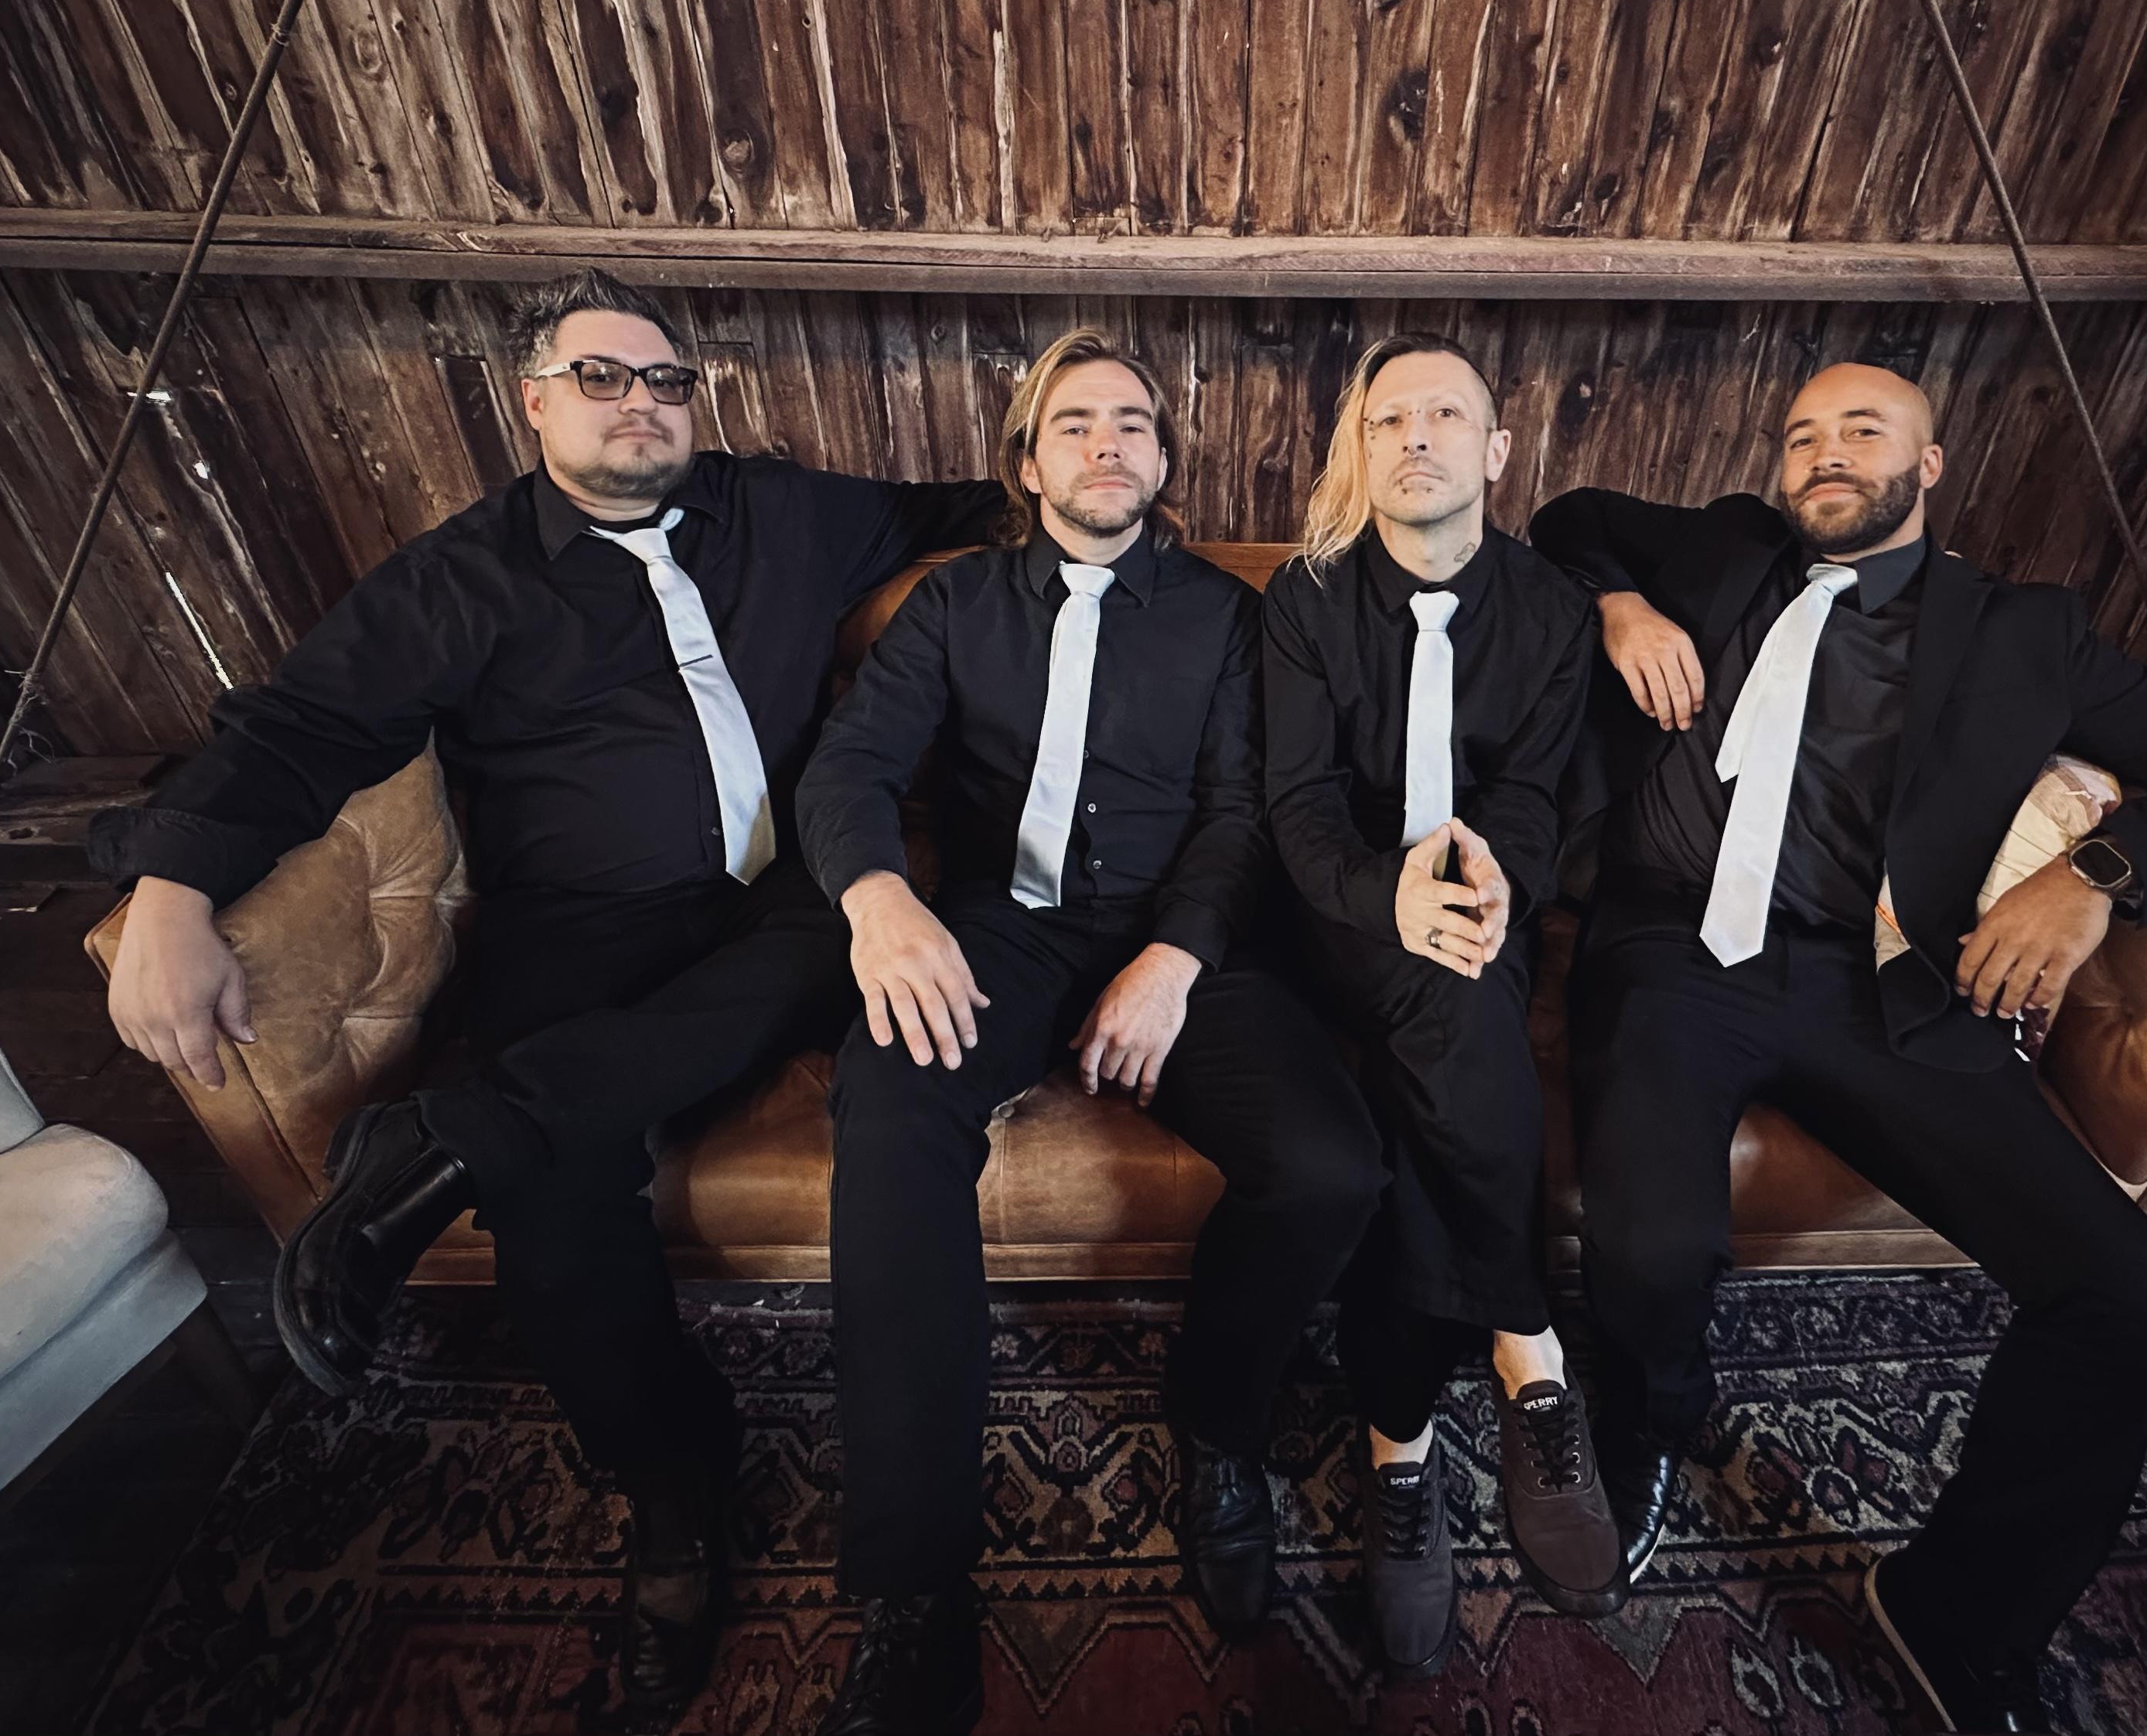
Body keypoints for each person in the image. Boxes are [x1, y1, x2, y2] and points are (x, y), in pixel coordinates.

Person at [90, 269, 1001, 1714]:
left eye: (666, 380)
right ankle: (673, 1489)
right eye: (602, 377)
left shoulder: (785, 511)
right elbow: (298, 729)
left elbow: (968, 503)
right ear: (532, 401)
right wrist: (170, 889)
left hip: (787, 897)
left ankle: (446, 1135)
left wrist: (1079, 506)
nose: (641, 403)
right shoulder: (459, 578)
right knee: (555, 1202)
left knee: (829, 942)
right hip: (578, 924)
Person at [1529, 362, 2147, 1733]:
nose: (1825, 454)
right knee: (1648, 1248)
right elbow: (1569, 515)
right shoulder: (1722, 548)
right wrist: (1619, 604)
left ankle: (1955, 1612)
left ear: (1928, 466)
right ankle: (1644, 1419)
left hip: (1871, 978)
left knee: (2134, 1303)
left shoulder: (2023, 632)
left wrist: (2095, 875)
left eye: (1862, 431)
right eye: (1802, 436)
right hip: (1664, 951)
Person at [797, 330, 1386, 1734]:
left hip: (1173, 936)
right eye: (1073, 424)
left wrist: (1175, 957)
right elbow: (851, 765)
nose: (1106, 443)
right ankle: (914, 1585)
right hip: (995, 927)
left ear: (1164, 460)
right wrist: (878, 899)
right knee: (888, 1112)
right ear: (1026, 463)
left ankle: (1217, 1426)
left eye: (1132, 423)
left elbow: (1244, 811)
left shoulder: (1229, 616)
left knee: (1331, 1168)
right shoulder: (953, 606)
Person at [1258, 333, 1618, 1680]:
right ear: (1359, 448)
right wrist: (1385, 897)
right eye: (1388, 418)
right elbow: (1296, 805)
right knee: (1446, 1006)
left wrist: (1489, 881)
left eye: (1445, 415)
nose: (1415, 436)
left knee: (1444, 1038)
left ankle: (1397, 1447)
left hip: (1475, 909)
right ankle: (1528, 1343)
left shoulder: (1552, 610)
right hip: (1334, 911)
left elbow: (1527, 793)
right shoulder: (1303, 598)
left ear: (1496, 448)